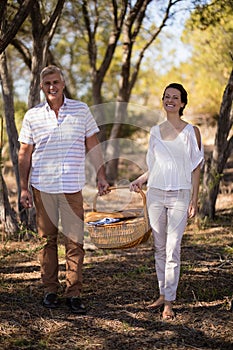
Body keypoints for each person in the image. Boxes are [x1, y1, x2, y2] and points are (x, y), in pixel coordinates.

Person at [18, 65, 109, 314]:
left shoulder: (81, 110)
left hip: (71, 187)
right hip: (42, 188)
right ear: (41, 86)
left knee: (74, 241)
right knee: (46, 240)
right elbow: (25, 153)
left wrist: (101, 175)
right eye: (47, 83)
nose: (52, 87)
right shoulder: (32, 116)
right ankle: (50, 290)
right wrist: (23, 189)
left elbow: (93, 143)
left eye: (56, 82)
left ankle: (74, 292)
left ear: (63, 83)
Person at [130, 83, 204, 320]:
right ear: (163, 101)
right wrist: (140, 180)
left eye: (175, 97)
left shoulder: (192, 131)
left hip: (180, 195)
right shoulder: (154, 131)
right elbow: (154, 166)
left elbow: (196, 167)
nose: (170, 100)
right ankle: (163, 293)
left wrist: (195, 198)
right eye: (167, 97)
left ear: (182, 103)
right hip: (156, 194)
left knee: (173, 248)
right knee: (159, 247)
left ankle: (169, 302)